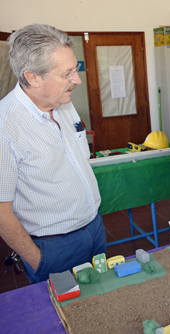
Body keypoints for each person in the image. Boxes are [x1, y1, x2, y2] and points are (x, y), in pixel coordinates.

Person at [0, 24, 105, 283]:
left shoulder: (63, 103)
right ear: (33, 77)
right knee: (66, 318)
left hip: (94, 229)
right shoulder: (6, 127)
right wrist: (38, 259)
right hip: (53, 246)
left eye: (76, 69)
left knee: (104, 304)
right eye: (66, 74)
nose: (77, 80)